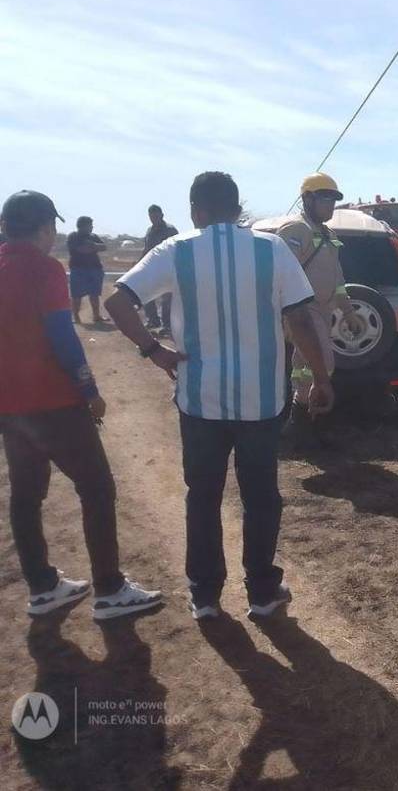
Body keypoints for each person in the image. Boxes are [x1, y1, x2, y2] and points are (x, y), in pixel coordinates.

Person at [104, 171, 335, 621]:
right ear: (238, 208)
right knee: (261, 496)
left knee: (203, 495)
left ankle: (205, 596)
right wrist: (321, 379)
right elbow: (301, 321)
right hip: (263, 402)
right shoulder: (272, 250)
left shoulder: (176, 250)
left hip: (200, 400)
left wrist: (155, 351)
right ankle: (263, 593)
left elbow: (118, 301)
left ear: (196, 211)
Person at [0, 191, 163, 620]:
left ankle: (42, 587)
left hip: (10, 409)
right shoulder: (46, 268)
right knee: (96, 487)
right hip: (54, 401)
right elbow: (62, 334)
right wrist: (90, 390)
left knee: (25, 496)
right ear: (42, 227)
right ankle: (109, 589)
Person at [276, 173, 364, 447]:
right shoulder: (295, 231)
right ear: (307, 199)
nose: (330, 205)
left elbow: (338, 281)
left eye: (334, 199)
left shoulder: (328, 235)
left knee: (310, 365)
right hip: (302, 311)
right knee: (319, 362)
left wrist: (348, 312)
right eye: (325, 198)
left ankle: (308, 420)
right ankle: (300, 419)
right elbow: (281, 274)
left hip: (324, 312)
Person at [141, 205, 179, 331]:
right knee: (147, 294)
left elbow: (177, 249)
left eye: (156, 216)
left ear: (162, 215)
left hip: (167, 267)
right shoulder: (149, 231)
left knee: (167, 298)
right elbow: (147, 249)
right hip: (152, 267)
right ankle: (153, 320)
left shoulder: (170, 230)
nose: (153, 218)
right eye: (151, 216)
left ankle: (167, 325)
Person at [66, 215, 108, 324]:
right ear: (82, 226)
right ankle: (75, 316)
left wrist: (93, 245)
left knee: (94, 294)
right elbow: (81, 250)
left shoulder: (93, 237)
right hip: (78, 269)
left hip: (94, 269)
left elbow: (104, 247)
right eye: (90, 225)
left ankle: (96, 316)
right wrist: (93, 248)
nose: (92, 227)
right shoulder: (73, 236)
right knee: (76, 295)